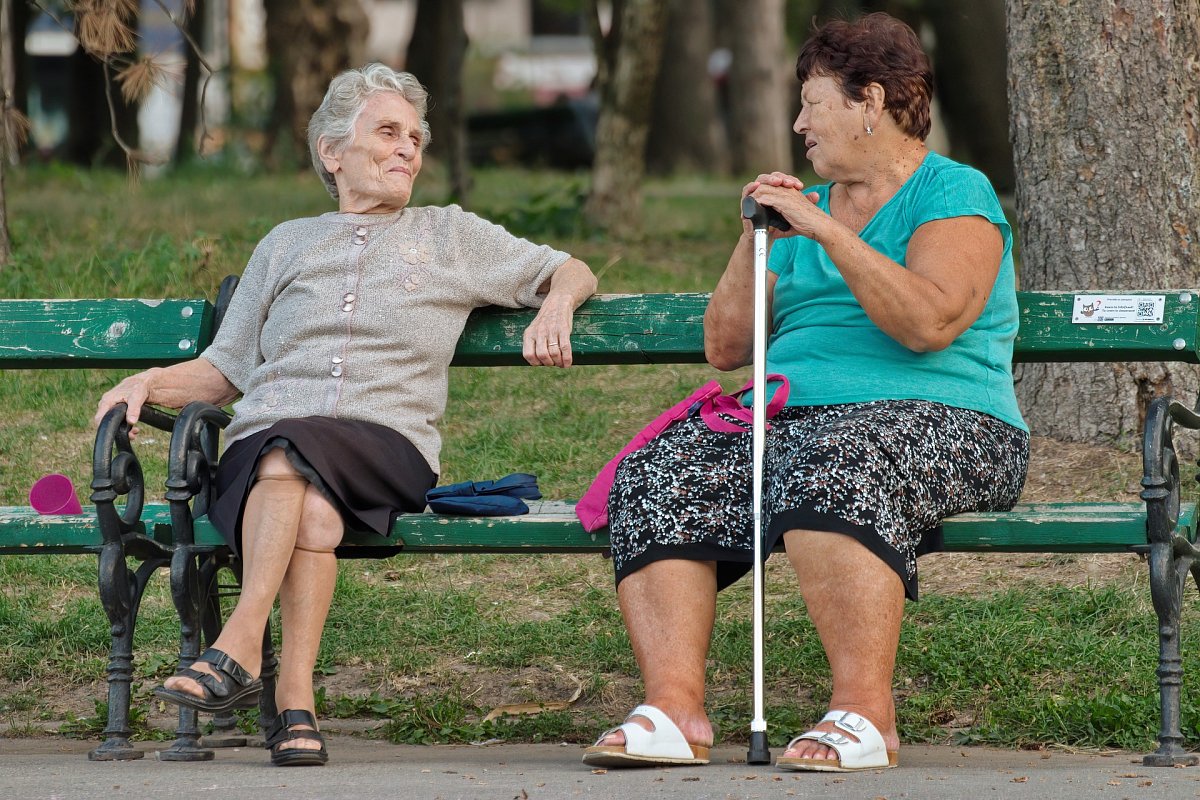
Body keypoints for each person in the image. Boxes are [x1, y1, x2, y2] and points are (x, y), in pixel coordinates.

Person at [95, 63, 597, 767]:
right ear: (333, 152)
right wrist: (148, 381)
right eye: (388, 132)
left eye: (416, 139)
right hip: (271, 453)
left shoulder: (450, 234)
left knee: (285, 449)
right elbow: (226, 370)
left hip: (384, 448)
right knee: (310, 507)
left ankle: (237, 642)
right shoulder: (286, 243)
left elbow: (572, 268)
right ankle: (295, 705)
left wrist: (556, 302)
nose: (408, 150)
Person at [583, 13, 1028, 773]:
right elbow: (724, 347)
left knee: (834, 460)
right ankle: (673, 711)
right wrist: (755, 235)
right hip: (788, 417)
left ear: (870, 102)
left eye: (812, 103)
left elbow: (930, 320)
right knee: (663, 468)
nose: (797, 123)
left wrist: (826, 235)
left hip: (951, 421)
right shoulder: (806, 213)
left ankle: (865, 715)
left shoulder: (953, 191)